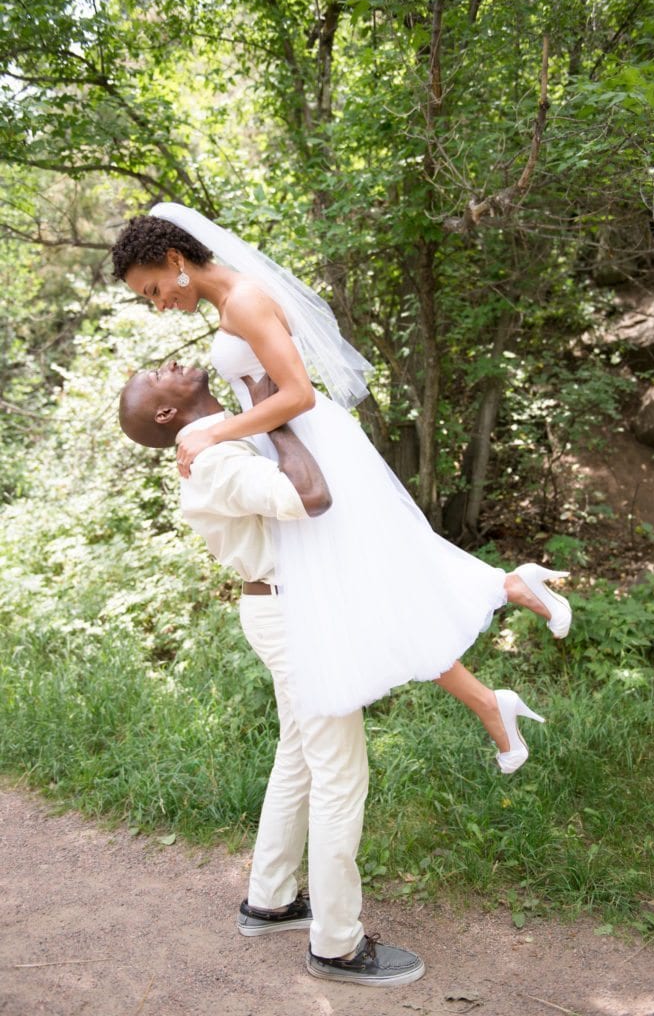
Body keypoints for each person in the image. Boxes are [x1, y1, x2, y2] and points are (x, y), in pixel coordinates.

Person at [112, 203, 572, 774]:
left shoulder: (245, 300)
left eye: (154, 290)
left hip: (313, 449)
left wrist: (217, 434)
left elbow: (297, 393)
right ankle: (497, 661)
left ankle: (507, 608)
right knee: (374, 589)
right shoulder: (230, 303)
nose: (159, 305)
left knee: (374, 585)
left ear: (177, 261)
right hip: (295, 447)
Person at [118, 362, 426, 985]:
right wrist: (276, 411)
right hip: (292, 615)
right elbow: (311, 497)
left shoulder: (223, 444)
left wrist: (257, 413)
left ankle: (271, 898)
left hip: (284, 608)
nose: (170, 362)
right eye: (156, 375)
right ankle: (337, 944)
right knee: (341, 773)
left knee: (299, 755)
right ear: (165, 415)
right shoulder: (216, 463)